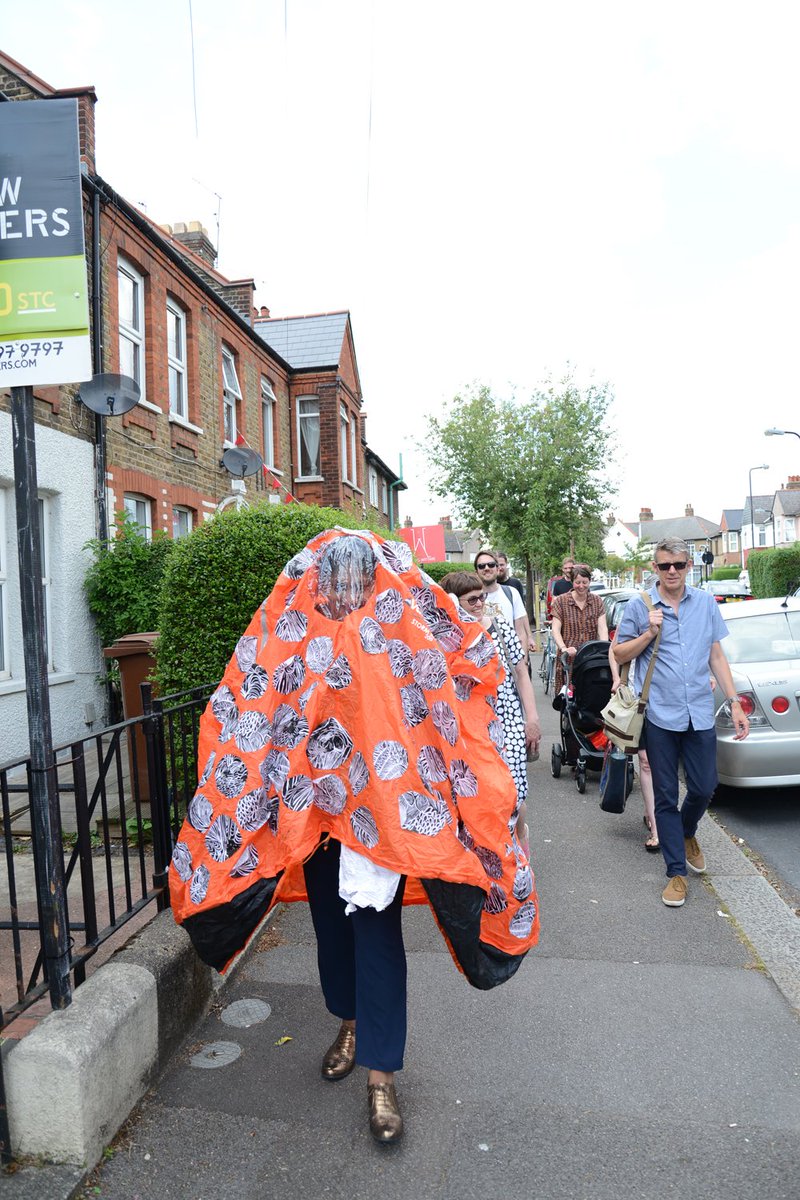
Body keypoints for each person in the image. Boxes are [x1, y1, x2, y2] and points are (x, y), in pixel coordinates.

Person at [169, 530, 539, 1145]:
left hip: (382, 823)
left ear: (370, 579)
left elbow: (456, 670)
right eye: (334, 579)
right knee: (332, 936)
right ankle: (348, 1022)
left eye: (353, 578)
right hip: (313, 818)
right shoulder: (298, 639)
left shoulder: (397, 631)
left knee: (377, 937)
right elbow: (256, 707)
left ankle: (382, 1077)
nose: (343, 590)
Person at [613, 536, 749, 907]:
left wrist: (735, 703)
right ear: (654, 568)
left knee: (705, 786)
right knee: (665, 796)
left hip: (699, 712)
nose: (671, 571)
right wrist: (648, 632)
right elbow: (619, 652)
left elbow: (716, 656)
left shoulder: (705, 603)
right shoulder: (641, 606)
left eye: (678, 565)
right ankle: (676, 872)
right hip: (658, 714)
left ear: (688, 566)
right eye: (663, 566)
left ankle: (686, 831)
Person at [440, 571, 541, 851]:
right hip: (469, 726)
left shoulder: (500, 627)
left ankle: (520, 850)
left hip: (506, 717)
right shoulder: (447, 639)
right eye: (471, 599)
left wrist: (531, 718)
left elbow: (521, 673)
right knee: (480, 793)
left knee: (513, 793)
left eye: (482, 597)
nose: (479, 604)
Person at [608, 646, 659, 851]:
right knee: (645, 762)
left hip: (665, 697)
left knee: (663, 762)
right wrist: (617, 678)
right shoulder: (635, 614)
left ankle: (655, 812)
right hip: (635, 699)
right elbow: (614, 650)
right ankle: (656, 828)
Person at [550, 563, 608, 696]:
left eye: (585, 582)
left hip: (591, 657)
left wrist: (603, 648)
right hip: (568, 657)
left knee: (591, 696)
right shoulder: (562, 601)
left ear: (589, 582)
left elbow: (602, 628)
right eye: (577, 582)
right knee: (567, 700)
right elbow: (556, 629)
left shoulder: (597, 601)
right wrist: (564, 648)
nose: (581, 586)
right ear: (572, 582)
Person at [474, 551, 530, 653]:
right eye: (481, 566)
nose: (486, 568)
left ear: (497, 568)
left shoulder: (512, 593)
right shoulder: (471, 599)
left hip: (510, 661)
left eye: (491, 565)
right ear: (476, 571)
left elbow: (520, 633)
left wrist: (524, 664)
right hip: (483, 662)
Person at [546, 557, 574, 622]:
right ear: (562, 569)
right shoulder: (558, 584)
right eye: (565, 568)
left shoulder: (579, 584)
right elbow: (553, 604)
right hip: (564, 619)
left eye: (570, 568)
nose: (568, 570)